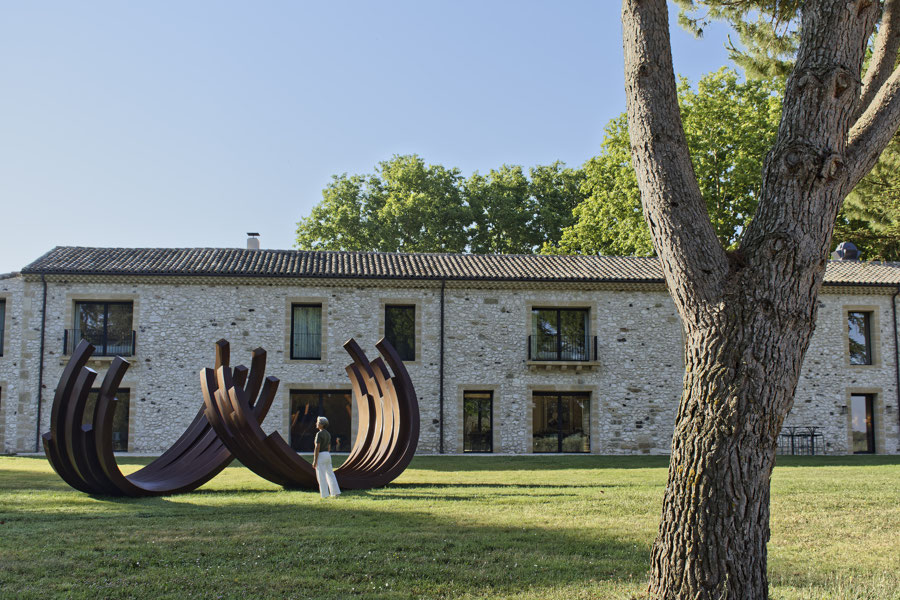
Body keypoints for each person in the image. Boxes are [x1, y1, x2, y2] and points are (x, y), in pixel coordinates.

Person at [312, 416, 341, 498]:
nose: (316, 423)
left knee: (321, 476)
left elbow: (317, 447)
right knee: (330, 474)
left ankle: (324, 495)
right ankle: (336, 492)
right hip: (327, 455)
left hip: (321, 455)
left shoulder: (319, 434)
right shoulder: (328, 434)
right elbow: (329, 446)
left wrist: (315, 460)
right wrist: (327, 454)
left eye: (317, 422)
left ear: (321, 424)